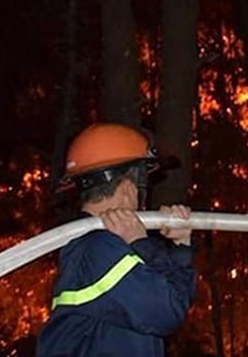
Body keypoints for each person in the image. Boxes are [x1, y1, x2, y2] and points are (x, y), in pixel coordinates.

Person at [36, 123, 196, 357]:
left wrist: (180, 246)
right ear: (127, 187)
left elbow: (175, 298)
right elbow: (167, 312)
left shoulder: (96, 246)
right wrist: (141, 242)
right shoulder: (98, 248)